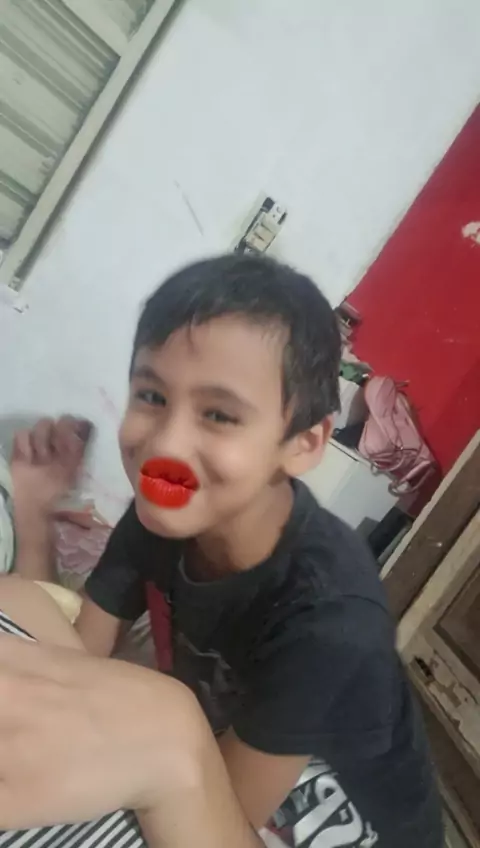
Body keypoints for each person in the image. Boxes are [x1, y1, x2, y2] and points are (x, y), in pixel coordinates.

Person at [11, 254, 443, 847]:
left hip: (336, 822)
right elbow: (71, 660)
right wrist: (34, 514)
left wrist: (161, 728)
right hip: (225, 771)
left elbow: (216, 821)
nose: (166, 444)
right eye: (151, 395)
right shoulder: (163, 514)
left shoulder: (330, 617)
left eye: (218, 414)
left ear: (303, 443)